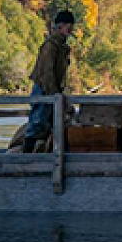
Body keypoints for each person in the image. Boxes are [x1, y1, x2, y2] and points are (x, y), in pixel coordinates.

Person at [23, 10, 75, 153]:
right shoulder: (51, 45)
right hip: (43, 89)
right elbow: (47, 73)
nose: (70, 30)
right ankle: (24, 159)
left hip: (52, 90)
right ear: (61, 26)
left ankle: (55, 155)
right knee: (37, 123)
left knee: (56, 123)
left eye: (71, 26)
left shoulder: (61, 46)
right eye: (68, 26)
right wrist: (54, 94)